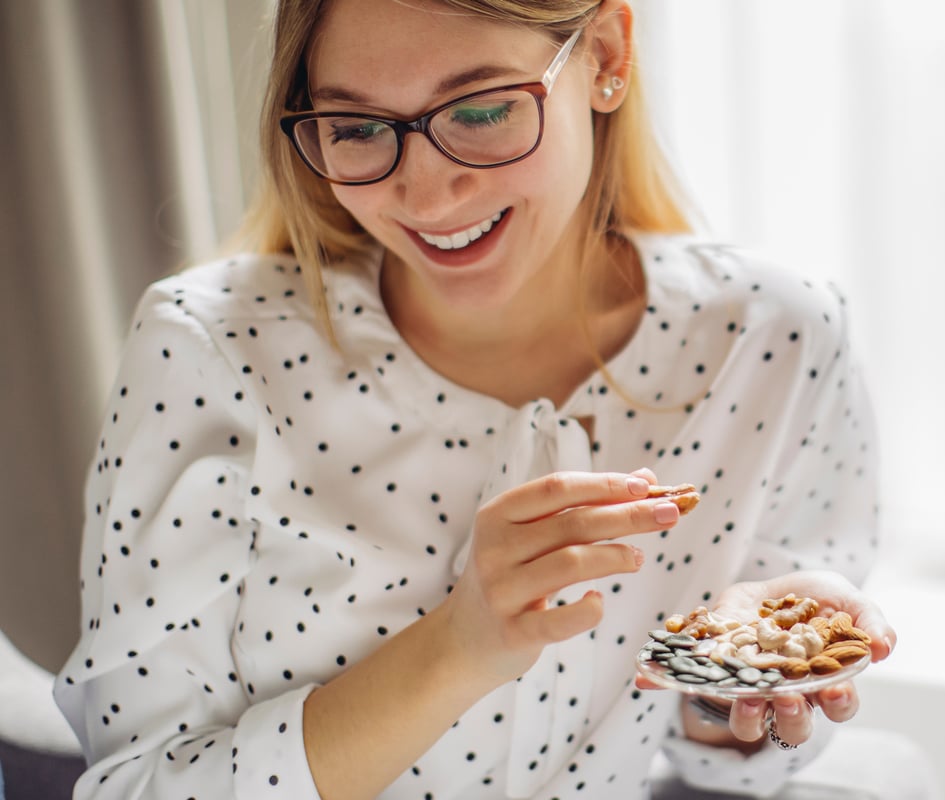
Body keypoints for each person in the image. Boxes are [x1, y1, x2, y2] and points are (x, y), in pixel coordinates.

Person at [53, 1, 896, 798]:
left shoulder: (775, 337)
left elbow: (727, 770)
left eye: (482, 112)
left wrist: (741, 683)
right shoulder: (210, 349)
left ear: (605, 57)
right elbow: (134, 784)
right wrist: (457, 649)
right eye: (355, 127)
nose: (425, 195)